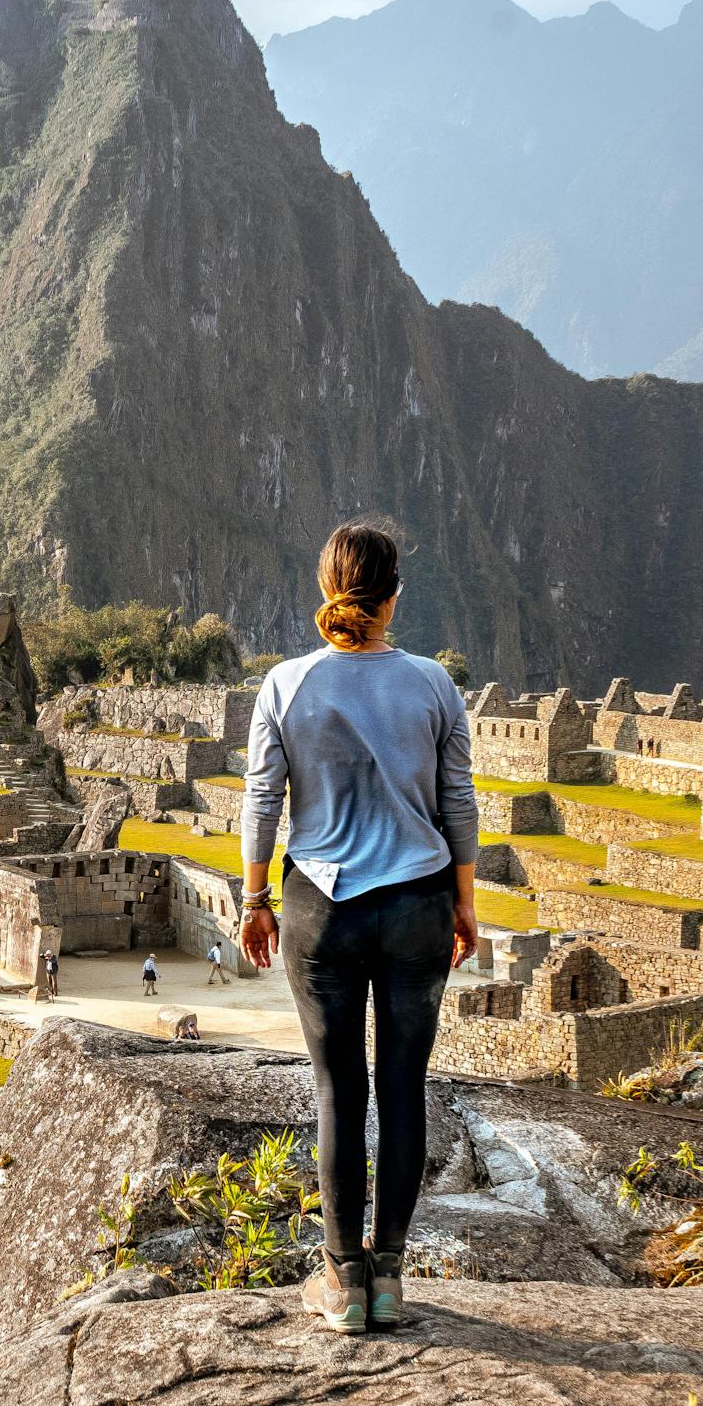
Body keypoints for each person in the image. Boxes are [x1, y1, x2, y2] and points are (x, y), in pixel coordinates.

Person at [240, 521, 478, 1336]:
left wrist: (253, 900)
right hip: (418, 904)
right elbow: (458, 802)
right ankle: (390, 1278)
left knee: (340, 1090)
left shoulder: (287, 684)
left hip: (322, 908)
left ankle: (341, 1283)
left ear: (325, 586)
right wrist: (466, 902)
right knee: (404, 1088)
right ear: (394, 593)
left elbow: (262, 801)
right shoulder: (433, 685)